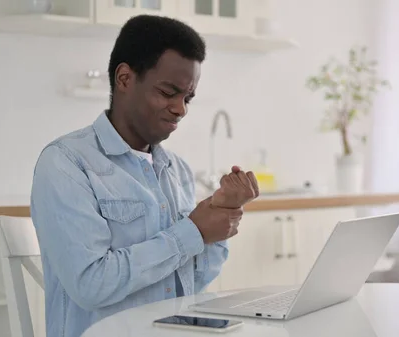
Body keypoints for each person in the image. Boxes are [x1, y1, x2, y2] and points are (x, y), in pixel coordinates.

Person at [30, 15, 259, 337]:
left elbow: (194, 280)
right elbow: (91, 285)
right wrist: (193, 231)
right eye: (168, 92)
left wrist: (221, 215)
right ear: (124, 78)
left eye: (188, 98)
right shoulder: (66, 162)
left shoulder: (175, 169)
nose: (181, 109)